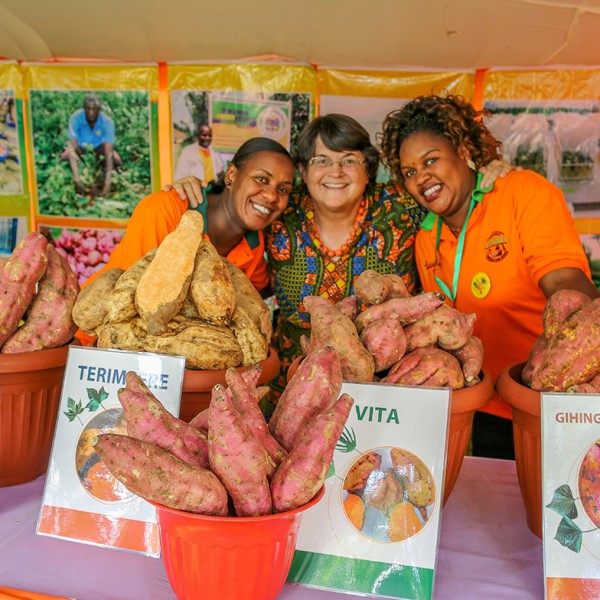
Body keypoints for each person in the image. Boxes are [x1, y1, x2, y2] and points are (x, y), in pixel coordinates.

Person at [171, 114, 510, 417]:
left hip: (391, 391)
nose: (335, 172)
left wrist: (491, 175)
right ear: (303, 171)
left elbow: (453, 195)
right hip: (289, 393)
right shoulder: (280, 211)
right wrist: (196, 191)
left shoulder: (401, 206)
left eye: (349, 160)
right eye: (321, 160)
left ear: (368, 170)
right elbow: (232, 213)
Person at [378, 94, 599, 459]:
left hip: (543, 403)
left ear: (463, 149)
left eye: (431, 160)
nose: (421, 178)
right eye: (410, 171)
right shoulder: (426, 236)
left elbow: (567, 288)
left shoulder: (522, 193)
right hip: (468, 409)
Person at [83, 136, 294, 297]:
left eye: (283, 189)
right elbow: (126, 296)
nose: (272, 196)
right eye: (261, 179)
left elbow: (254, 295)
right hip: (92, 342)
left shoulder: (253, 245)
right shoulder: (166, 210)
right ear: (231, 175)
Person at [61, 93, 122, 198]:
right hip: (81, 148)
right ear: (84, 108)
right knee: (64, 157)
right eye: (88, 109)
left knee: (116, 160)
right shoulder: (75, 118)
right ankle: (74, 179)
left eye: (94, 109)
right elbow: (72, 147)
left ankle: (111, 175)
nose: (91, 113)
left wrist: (107, 183)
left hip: (99, 148)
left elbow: (108, 153)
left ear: (99, 109)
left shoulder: (107, 122)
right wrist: (77, 179)